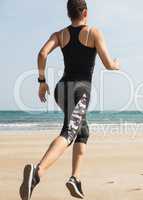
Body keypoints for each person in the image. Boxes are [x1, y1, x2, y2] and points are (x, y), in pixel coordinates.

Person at [19, 0, 120, 199]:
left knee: (82, 131)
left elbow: (42, 54)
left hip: (61, 89)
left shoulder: (60, 34)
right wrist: (116, 64)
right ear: (85, 12)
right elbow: (108, 64)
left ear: (69, 14)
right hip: (80, 91)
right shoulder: (94, 33)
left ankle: (75, 179)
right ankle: (36, 174)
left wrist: (42, 81)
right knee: (69, 131)